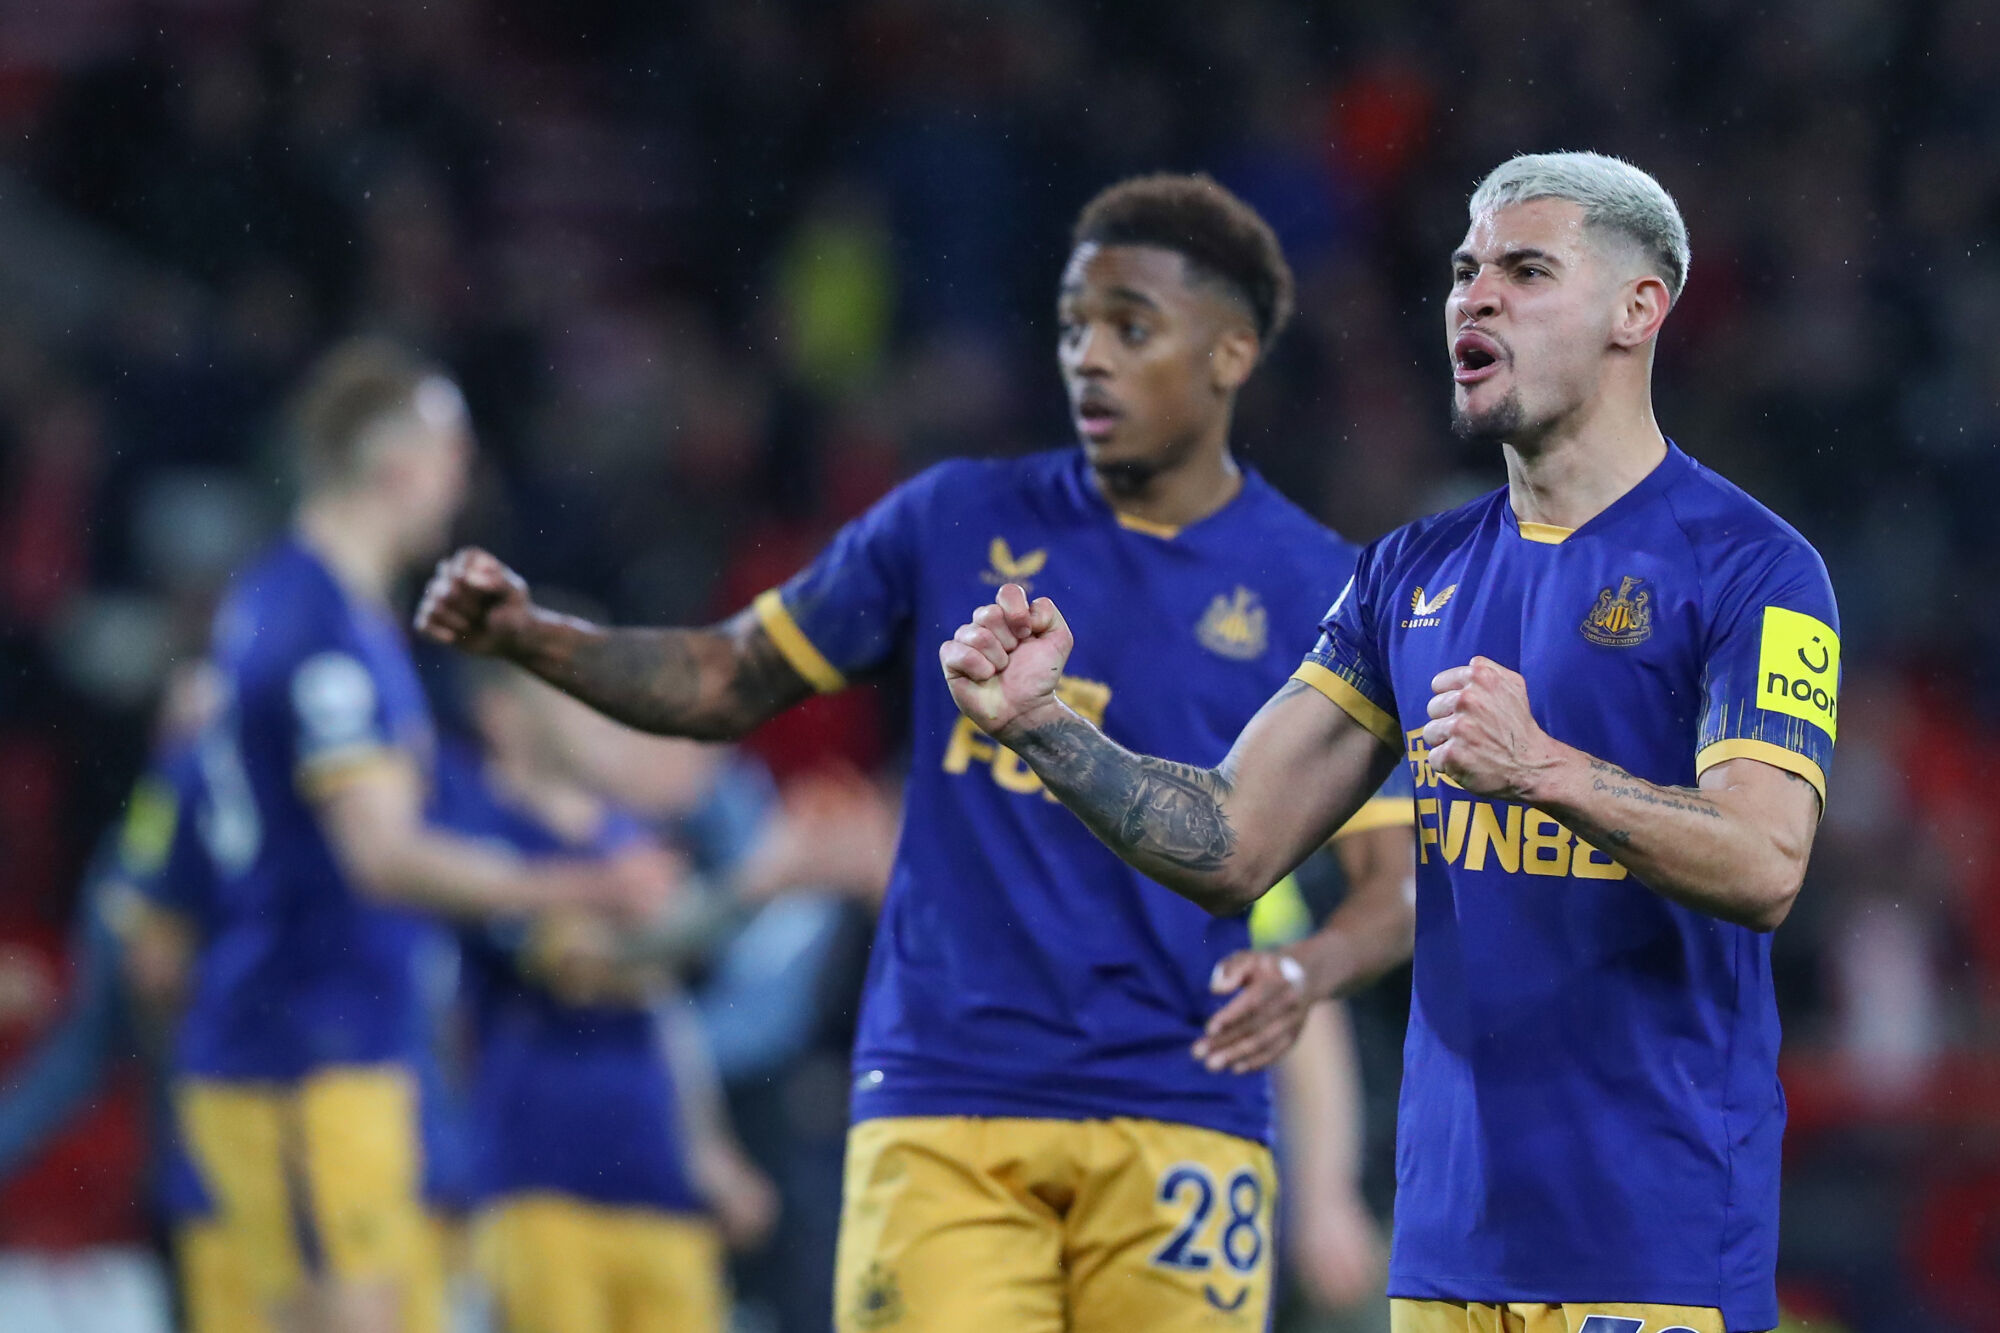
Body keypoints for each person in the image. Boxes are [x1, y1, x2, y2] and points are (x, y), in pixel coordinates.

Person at [415, 174, 1416, 1332]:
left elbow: (1393, 885)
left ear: (1231, 352)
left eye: (1129, 328)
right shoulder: (948, 519)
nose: (1088, 357)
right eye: (1071, 326)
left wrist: (1308, 970)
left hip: (1181, 1110)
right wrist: (538, 639)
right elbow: (727, 675)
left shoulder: (1319, 588)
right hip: (947, 1101)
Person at [940, 152, 1838, 1333]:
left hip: (1651, 1246)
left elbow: (1765, 862)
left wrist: (1542, 770)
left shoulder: (1752, 570)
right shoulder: (1407, 574)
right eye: (1464, 270)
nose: (1474, 296)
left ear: (1637, 309)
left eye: (1525, 271)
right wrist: (1044, 728)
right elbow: (1232, 838)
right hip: (1443, 1258)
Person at [175, 339, 669, 1333]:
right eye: (452, 453)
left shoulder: (288, 602)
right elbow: (381, 853)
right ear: (391, 460)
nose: (461, 480)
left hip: (330, 1039)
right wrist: (584, 885)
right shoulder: (322, 627)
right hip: (307, 1049)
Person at [434, 661, 777, 1333]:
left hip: (661, 1180)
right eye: (574, 696)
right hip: (540, 1183)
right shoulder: (477, 832)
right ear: (505, 716)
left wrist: (710, 1147)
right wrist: (751, 887)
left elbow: (663, 1007)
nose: (600, 713)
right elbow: (582, 964)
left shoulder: (626, 834)